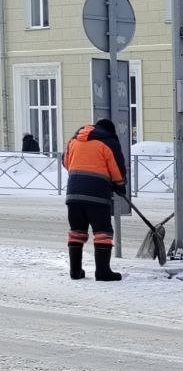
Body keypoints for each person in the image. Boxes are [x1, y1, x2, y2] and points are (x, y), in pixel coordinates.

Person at [63, 118, 126, 281]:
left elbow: (66, 162)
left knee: (76, 232)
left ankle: (75, 271)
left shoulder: (75, 140)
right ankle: (102, 272)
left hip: (73, 194)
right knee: (103, 233)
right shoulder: (108, 142)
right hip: (97, 195)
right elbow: (116, 168)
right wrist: (119, 184)